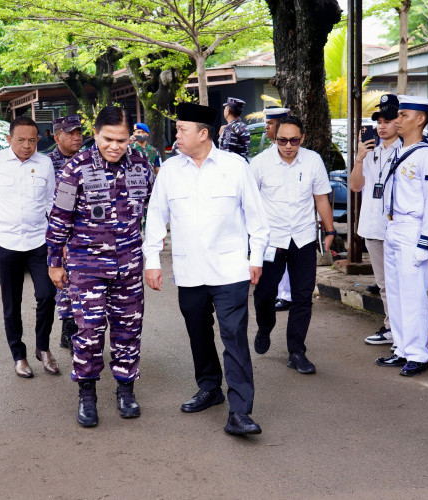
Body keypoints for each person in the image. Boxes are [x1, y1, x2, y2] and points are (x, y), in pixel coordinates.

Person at [144, 102, 269, 436]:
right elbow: (156, 216)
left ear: (203, 133)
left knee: (234, 337)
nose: (177, 134)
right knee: (198, 333)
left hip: (230, 270)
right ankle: (210, 387)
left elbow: (256, 217)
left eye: (183, 129)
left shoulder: (235, 166)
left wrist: (256, 257)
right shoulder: (170, 170)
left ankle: (240, 410)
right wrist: (152, 261)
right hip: (189, 271)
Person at [46, 106, 152, 428]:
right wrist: (54, 262)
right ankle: (87, 394)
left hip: (129, 265)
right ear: (96, 134)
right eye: (108, 139)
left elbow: (152, 209)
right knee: (89, 333)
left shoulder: (141, 164)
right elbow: (60, 218)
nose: (116, 146)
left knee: (128, 330)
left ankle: (125, 389)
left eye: (122, 140)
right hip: (86, 266)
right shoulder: (75, 169)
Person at [0, 116, 58, 379]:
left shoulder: (45, 163)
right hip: (6, 242)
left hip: (39, 240)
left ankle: (43, 347)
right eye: (21, 140)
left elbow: (51, 200)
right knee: (11, 302)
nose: (27, 146)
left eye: (32, 140)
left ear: (38, 140)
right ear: (9, 139)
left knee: (47, 295)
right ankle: (19, 355)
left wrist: (58, 235)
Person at [250, 116, 336, 374]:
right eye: (282, 140)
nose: (288, 146)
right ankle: (265, 326)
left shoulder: (312, 161)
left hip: (303, 238)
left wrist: (329, 230)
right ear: (274, 138)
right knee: (264, 295)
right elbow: (250, 204)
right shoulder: (260, 163)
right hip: (270, 240)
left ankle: (296, 351)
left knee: (303, 297)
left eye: (294, 140)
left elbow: (321, 198)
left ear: (302, 139)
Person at [375, 96, 428, 377]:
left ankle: (418, 354)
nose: (397, 120)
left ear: (420, 119)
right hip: (393, 227)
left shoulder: (426, 155)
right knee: (397, 293)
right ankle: (401, 348)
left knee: (413, 295)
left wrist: (426, 241)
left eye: (403, 115)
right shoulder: (399, 151)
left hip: (413, 229)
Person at [349, 95, 402, 347]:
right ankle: (392, 327)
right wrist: (359, 158)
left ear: (399, 122)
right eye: (379, 121)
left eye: (388, 120)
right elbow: (355, 186)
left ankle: (401, 329)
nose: (382, 126)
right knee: (383, 284)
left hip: (397, 227)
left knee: (400, 281)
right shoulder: (371, 153)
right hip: (373, 227)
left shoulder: (406, 151)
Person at [48, 114, 84, 354]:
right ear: (56, 136)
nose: (77, 137)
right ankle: (68, 328)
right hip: (58, 232)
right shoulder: (47, 163)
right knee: (63, 284)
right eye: (70, 133)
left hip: (84, 234)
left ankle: (79, 329)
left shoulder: (89, 160)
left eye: (79, 132)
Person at [261, 107, 294, 311]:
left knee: (289, 261)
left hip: (290, 219)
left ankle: (287, 295)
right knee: (272, 258)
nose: (267, 127)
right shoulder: (267, 155)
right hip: (270, 218)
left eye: (270, 123)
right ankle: (279, 293)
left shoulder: (293, 152)